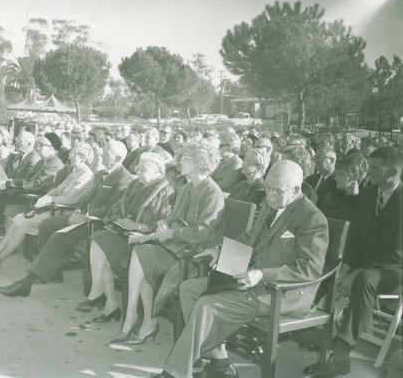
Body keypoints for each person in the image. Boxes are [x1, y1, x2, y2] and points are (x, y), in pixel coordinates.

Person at [152, 160, 329, 378]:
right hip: (250, 280)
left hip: (281, 292)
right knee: (189, 289)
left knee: (207, 305)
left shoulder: (312, 218)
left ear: (296, 190)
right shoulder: (270, 204)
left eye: (277, 190)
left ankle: (176, 373)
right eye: (267, 187)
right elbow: (250, 238)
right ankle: (219, 361)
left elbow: (310, 268)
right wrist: (220, 250)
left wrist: (263, 274)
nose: (269, 194)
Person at [112, 141, 225, 345]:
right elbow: (172, 217)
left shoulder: (212, 192)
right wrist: (164, 224)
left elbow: (205, 233)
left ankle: (142, 321)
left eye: (186, 158)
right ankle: (136, 318)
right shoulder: (186, 188)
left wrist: (173, 233)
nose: (180, 160)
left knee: (143, 257)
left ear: (200, 163)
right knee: (141, 253)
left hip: (196, 255)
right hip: (176, 248)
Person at [0, 140, 133, 295]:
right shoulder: (101, 174)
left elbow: (111, 208)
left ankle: (27, 283)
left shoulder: (123, 178)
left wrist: (86, 216)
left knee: (58, 237)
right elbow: (86, 198)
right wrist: (79, 211)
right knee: (46, 224)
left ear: (118, 158)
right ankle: (52, 271)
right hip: (82, 217)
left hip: (96, 224)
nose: (101, 155)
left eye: (106, 153)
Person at [315, 147, 402, 378]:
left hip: (395, 269)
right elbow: (354, 234)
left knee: (365, 279)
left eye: (374, 168)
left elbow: (397, 253)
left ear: (392, 171)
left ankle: (342, 355)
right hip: (367, 263)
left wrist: (357, 271)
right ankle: (314, 336)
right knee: (332, 265)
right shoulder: (369, 193)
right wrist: (347, 264)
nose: (368, 173)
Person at [76, 152, 175, 323]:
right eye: (138, 167)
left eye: (143, 168)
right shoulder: (135, 184)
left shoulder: (166, 190)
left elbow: (163, 223)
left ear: (157, 170)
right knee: (99, 238)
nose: (138, 171)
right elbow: (116, 208)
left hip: (146, 239)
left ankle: (107, 303)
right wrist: (120, 220)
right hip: (126, 233)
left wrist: (137, 226)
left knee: (103, 250)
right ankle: (107, 301)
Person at [0, 142, 94, 275]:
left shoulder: (85, 175)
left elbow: (73, 199)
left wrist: (51, 200)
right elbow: (58, 189)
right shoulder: (76, 172)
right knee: (19, 218)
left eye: (74, 154)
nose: (71, 156)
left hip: (66, 210)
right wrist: (46, 197)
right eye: (71, 153)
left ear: (83, 158)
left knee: (23, 221)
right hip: (55, 206)